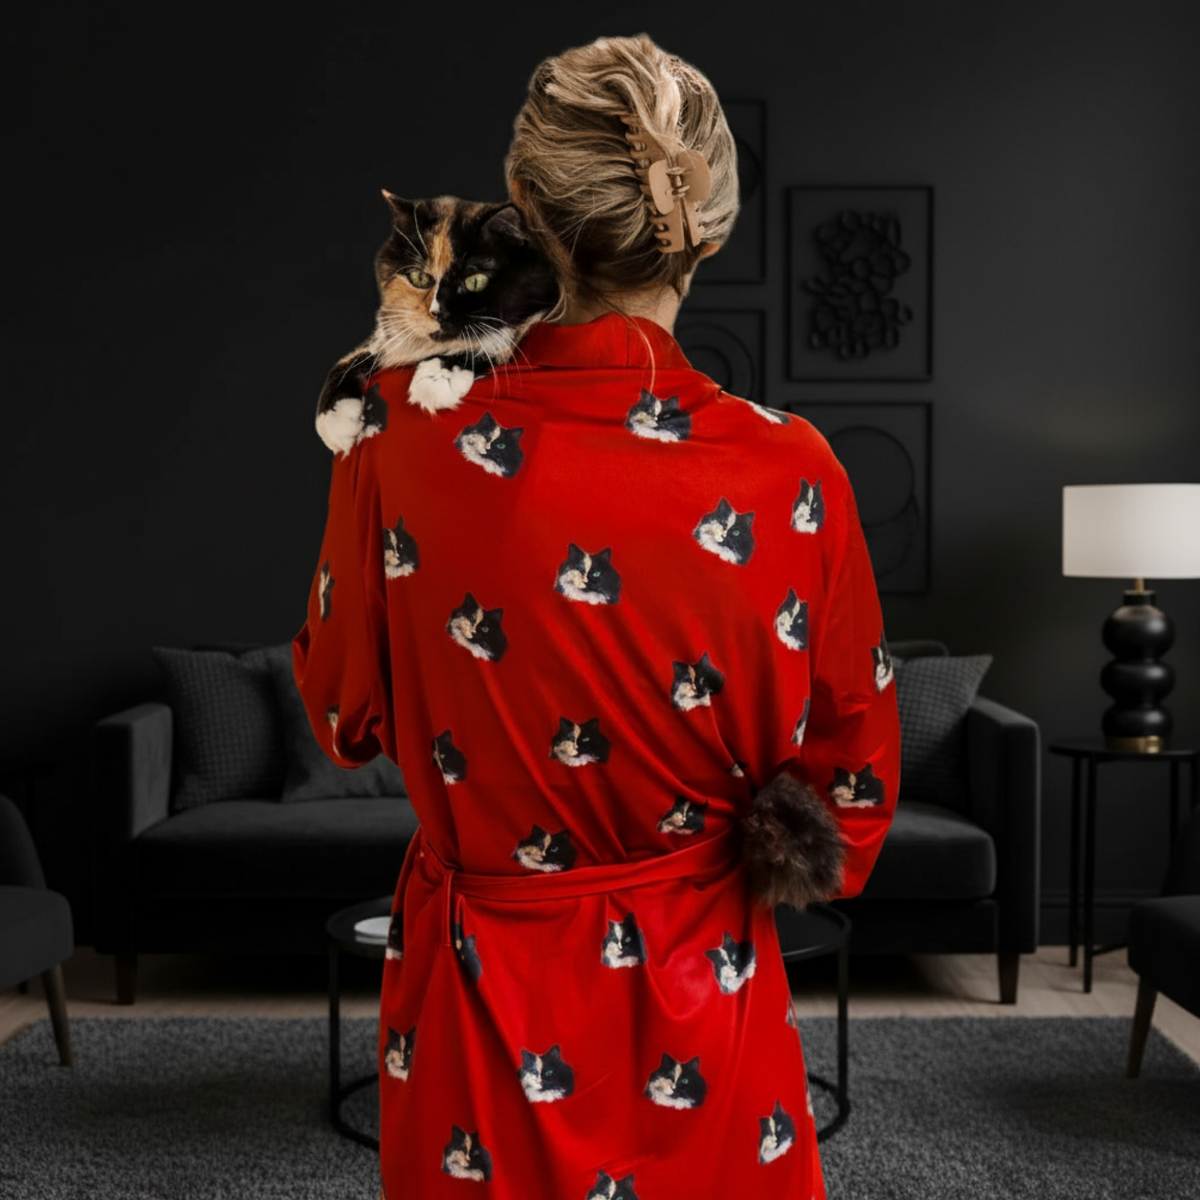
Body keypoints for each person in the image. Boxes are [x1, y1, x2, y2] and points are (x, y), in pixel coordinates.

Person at [293, 33, 899, 1200]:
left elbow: (341, 715)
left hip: (480, 1005)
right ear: (709, 229)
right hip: (708, 1001)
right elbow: (854, 799)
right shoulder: (796, 470)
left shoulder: (395, 434)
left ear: (522, 203)